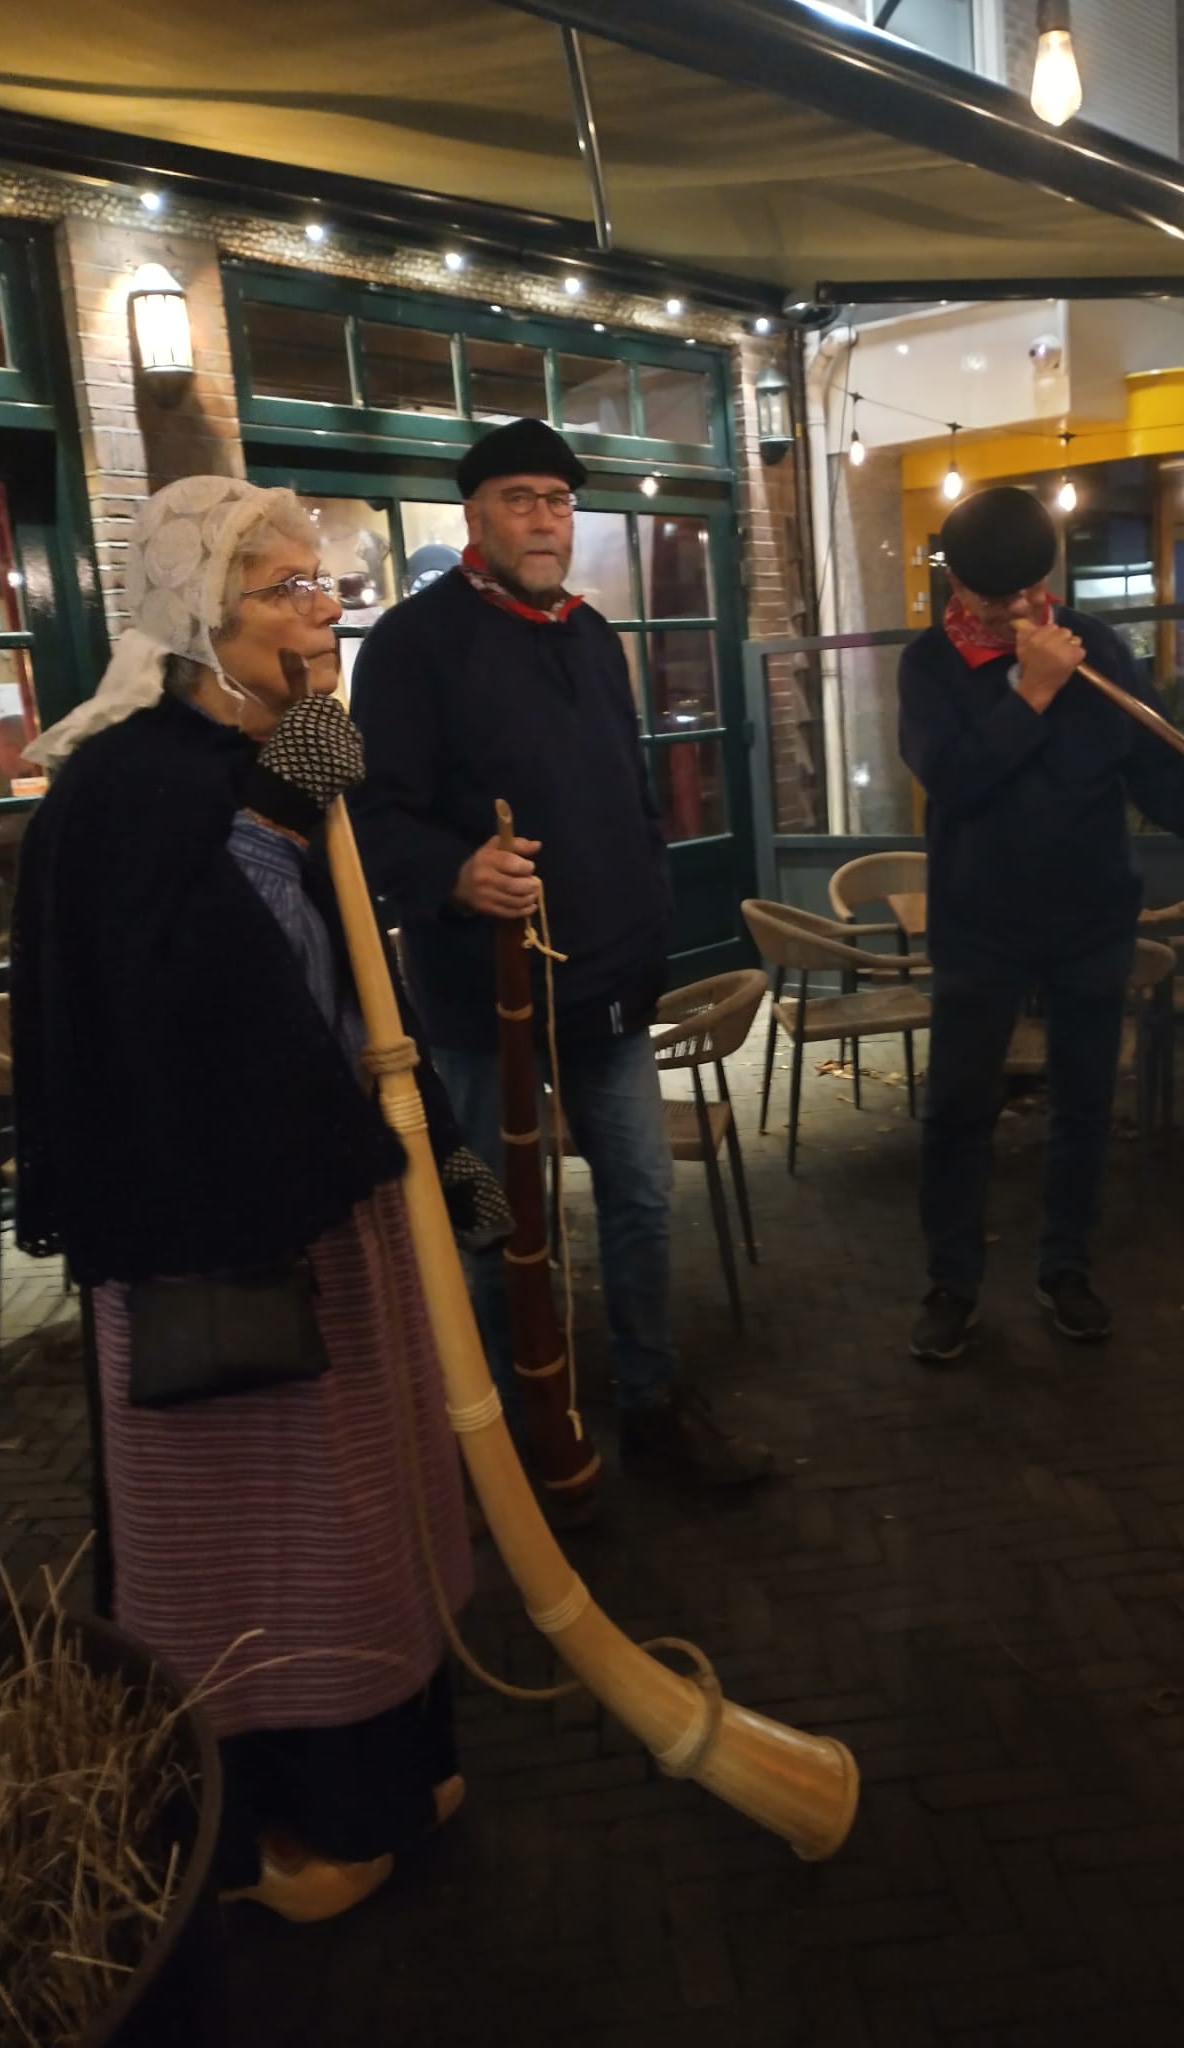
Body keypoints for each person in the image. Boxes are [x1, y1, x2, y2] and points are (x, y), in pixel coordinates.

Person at [11, 477, 511, 1923]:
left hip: (330, 1204)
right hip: (212, 1242)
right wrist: (277, 830)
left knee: (368, 1510)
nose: (323, 608)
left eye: (324, 582)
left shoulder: (278, 757)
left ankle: (398, 1775)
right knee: (267, 1537)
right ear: (197, 618)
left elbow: (347, 979)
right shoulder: (127, 789)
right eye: (284, 588)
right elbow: (184, 1019)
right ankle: (308, 1817)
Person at [348, 419, 771, 1488]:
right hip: (479, 990)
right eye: (522, 498)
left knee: (637, 1194)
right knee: (501, 1213)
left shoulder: (589, 633)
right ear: (476, 516)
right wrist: (454, 873)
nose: (546, 518)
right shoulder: (412, 642)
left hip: (610, 982)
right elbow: (371, 811)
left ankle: (651, 1399)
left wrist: (652, 915)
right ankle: (516, 1421)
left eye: (559, 500)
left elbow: (626, 794)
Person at [899, 486, 1184, 1361]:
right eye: (992, 601)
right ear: (957, 588)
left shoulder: (1100, 649)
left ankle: (1065, 1269)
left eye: (1027, 596)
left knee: (1084, 1106)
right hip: (979, 925)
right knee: (958, 1112)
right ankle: (951, 1284)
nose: (1014, 615)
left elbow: (1157, 772)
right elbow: (957, 780)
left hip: (1089, 916)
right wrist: (1031, 694)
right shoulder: (929, 666)